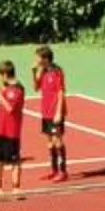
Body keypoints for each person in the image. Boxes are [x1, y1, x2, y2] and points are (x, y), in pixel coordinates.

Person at [0, 60, 28, 200]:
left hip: (12, 130)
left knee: (14, 160)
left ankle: (16, 187)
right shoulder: (5, 88)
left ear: (5, 74)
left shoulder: (16, 89)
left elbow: (10, 108)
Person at [34, 44, 70, 182]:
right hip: (45, 111)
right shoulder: (42, 71)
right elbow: (36, 88)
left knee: (57, 140)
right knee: (49, 142)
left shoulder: (57, 71)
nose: (35, 60)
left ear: (45, 58)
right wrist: (35, 73)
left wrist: (59, 112)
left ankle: (63, 171)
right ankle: (54, 170)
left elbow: (61, 92)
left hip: (55, 111)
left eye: (37, 57)